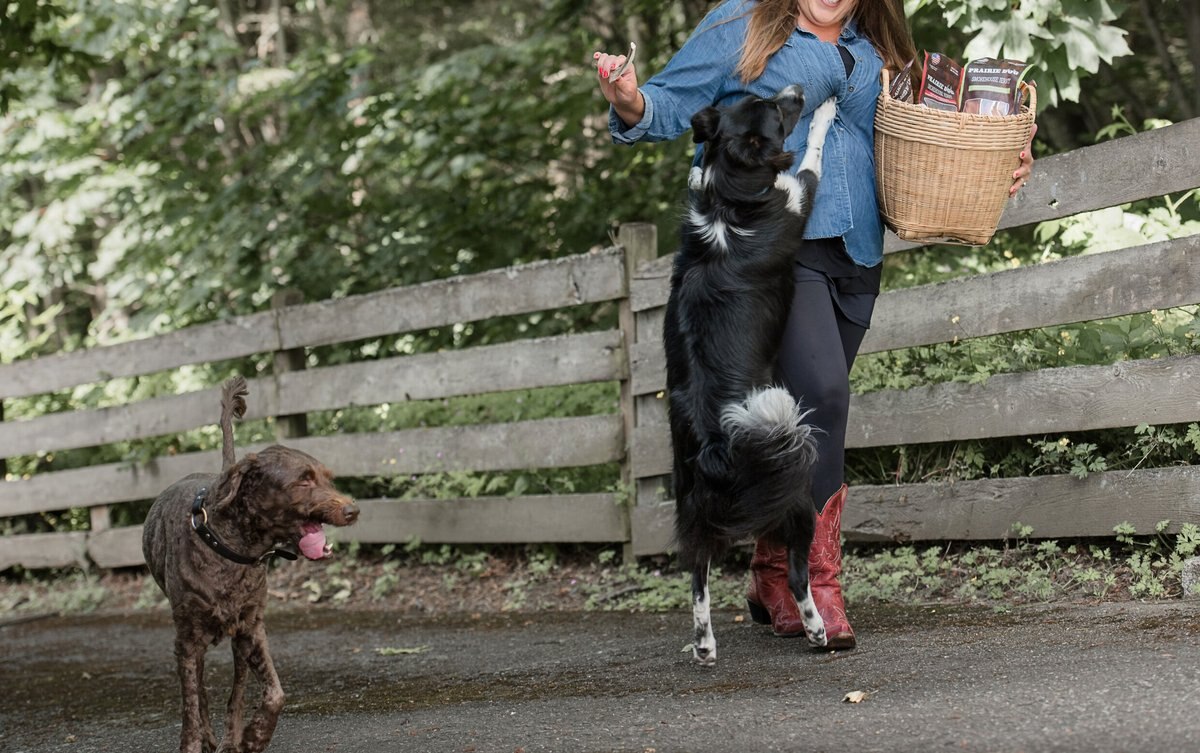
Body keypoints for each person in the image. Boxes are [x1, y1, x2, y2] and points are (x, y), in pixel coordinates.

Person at [594, 0, 1035, 650]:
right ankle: (819, 581)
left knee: (809, 412)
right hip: (774, 253)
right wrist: (628, 98)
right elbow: (663, 105)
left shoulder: (879, 44)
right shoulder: (741, 23)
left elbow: (926, 131)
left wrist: (1004, 152)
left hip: (858, 252)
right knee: (826, 392)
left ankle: (773, 571)